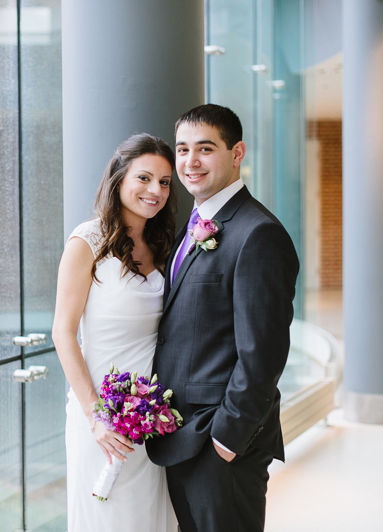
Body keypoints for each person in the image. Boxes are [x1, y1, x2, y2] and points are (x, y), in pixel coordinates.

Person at [146, 104, 299, 532]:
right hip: (181, 435)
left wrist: (226, 439)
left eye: (205, 149)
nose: (190, 162)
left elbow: (263, 354)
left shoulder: (258, 233)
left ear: (237, 153)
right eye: (182, 149)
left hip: (220, 441)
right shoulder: (192, 224)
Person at [52, 133, 179, 531]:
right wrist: (97, 417)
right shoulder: (86, 241)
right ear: (119, 178)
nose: (155, 190)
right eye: (144, 178)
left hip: (154, 415)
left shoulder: (164, 245)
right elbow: (63, 333)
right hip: (102, 416)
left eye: (164, 182)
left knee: (150, 517)